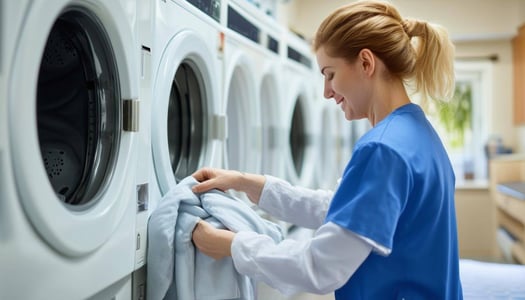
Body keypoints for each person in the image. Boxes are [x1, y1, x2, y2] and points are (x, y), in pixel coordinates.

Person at [191, 0, 463, 298]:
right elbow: (345, 210)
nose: (326, 91)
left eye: (330, 74)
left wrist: (231, 245)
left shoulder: (383, 150)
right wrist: (246, 182)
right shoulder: (416, 134)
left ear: (366, 63)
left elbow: (319, 268)